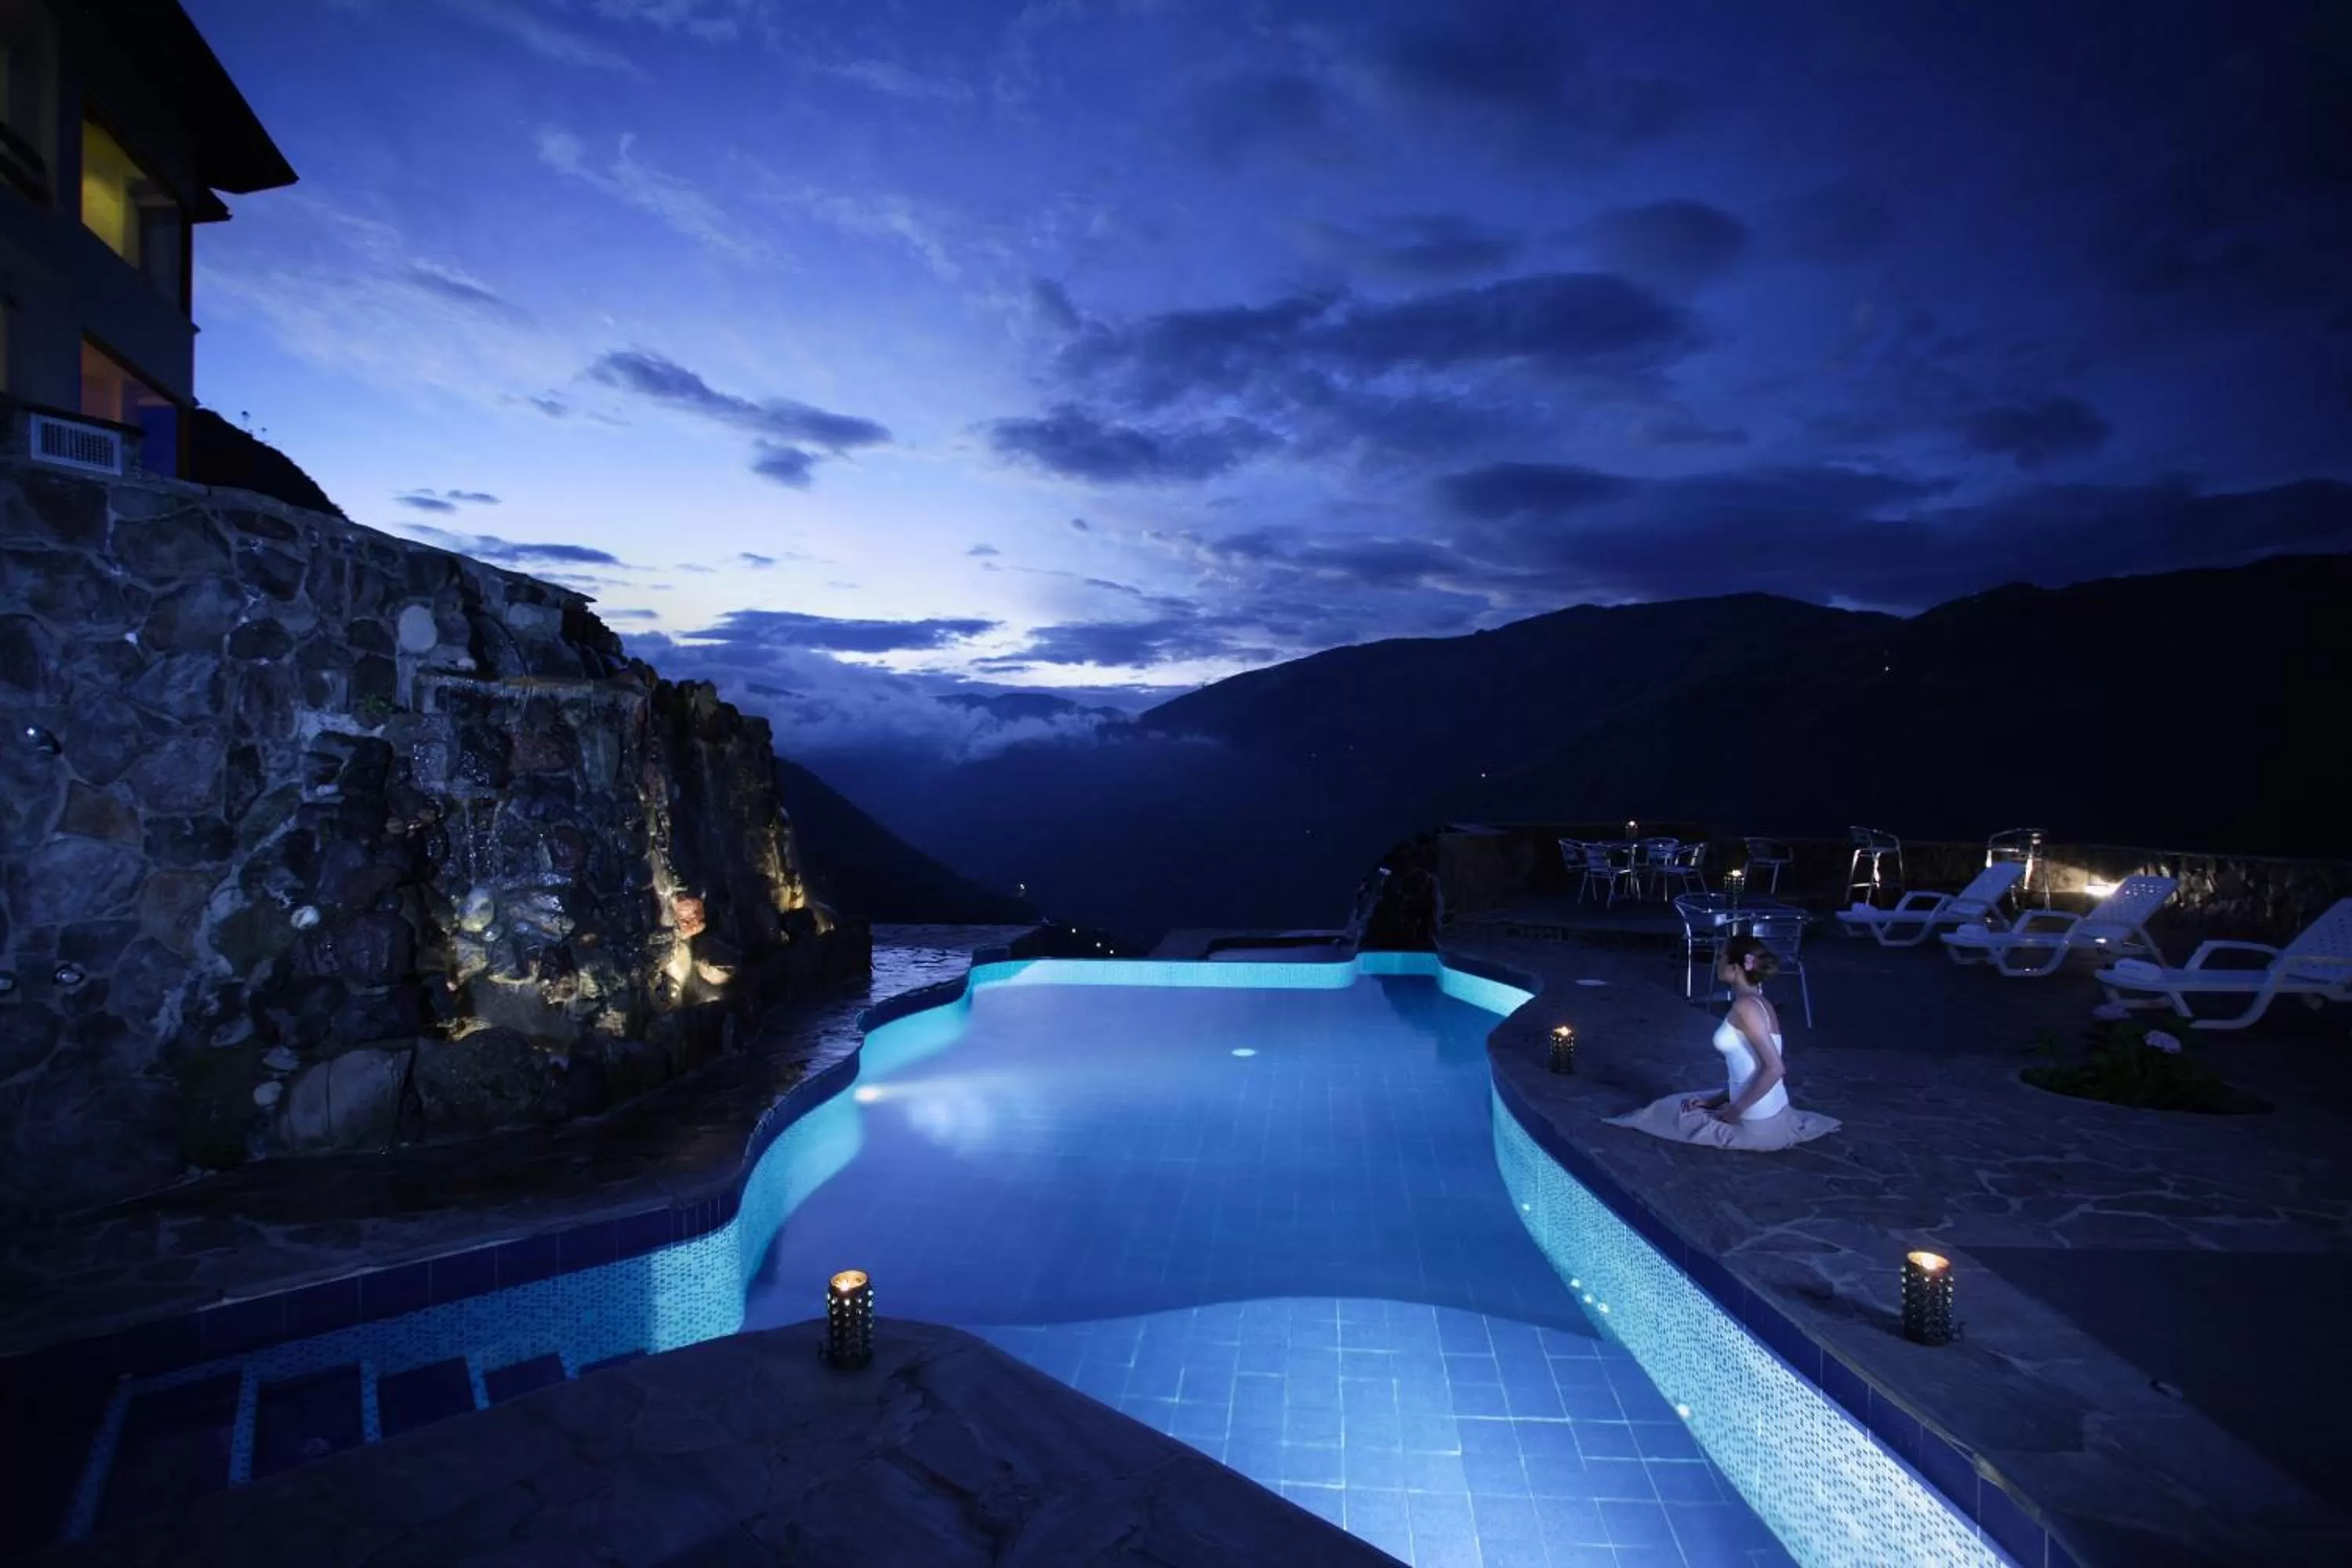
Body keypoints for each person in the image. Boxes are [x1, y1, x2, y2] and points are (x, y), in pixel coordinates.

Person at [1605, 935, 1839, 1151]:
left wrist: (1734, 1111)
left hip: (1757, 1122)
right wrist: (1713, 1101)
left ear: (1736, 967)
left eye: (1721, 957)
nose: (1717, 962)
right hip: (1770, 1108)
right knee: (1682, 1103)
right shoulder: (1759, 1002)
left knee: (1664, 1111)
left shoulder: (1746, 1007)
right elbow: (1750, 1069)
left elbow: (1775, 1068)